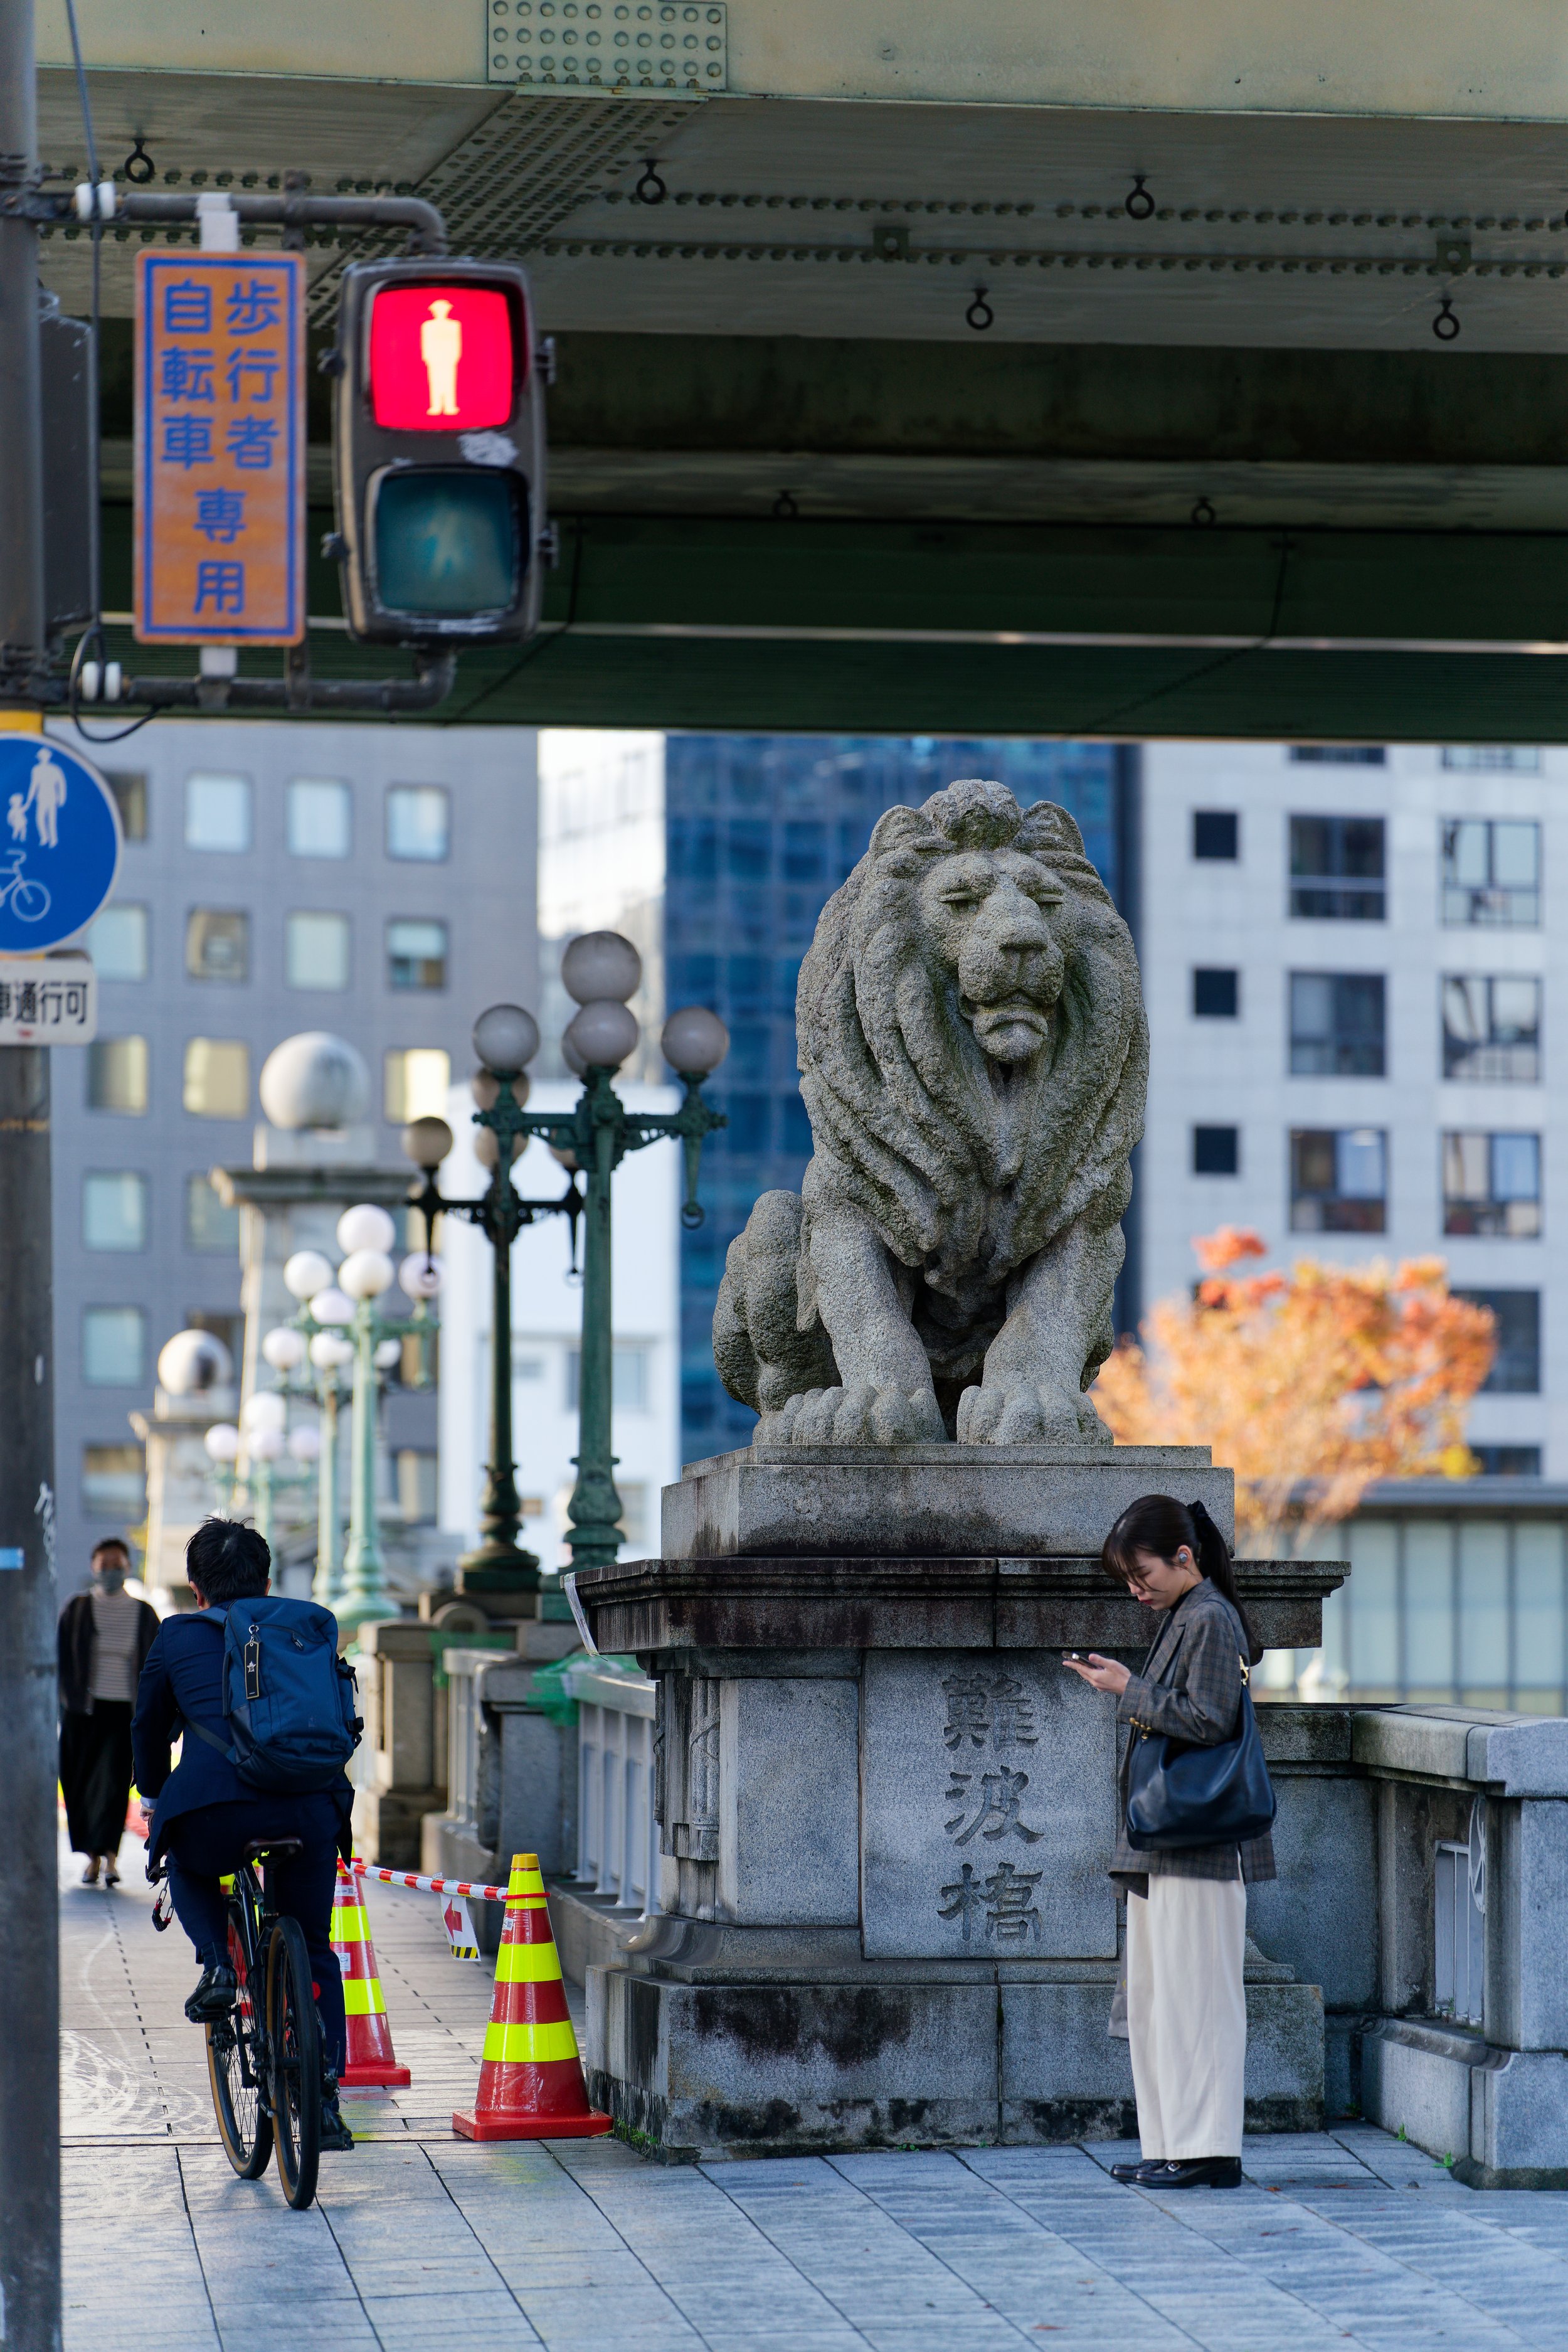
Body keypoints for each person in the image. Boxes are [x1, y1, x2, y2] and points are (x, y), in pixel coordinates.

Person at [1064, 1493, 1273, 2192]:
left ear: (1184, 1557)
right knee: (1161, 1998)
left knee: (1197, 1998)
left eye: (1141, 1572)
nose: (1136, 1588)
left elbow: (1209, 1720)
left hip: (1200, 1843)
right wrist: (1129, 1687)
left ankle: (1209, 2149)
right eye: (1128, 1578)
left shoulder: (1209, 1616)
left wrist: (1129, 1688)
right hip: (1170, 1843)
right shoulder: (1190, 1612)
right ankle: (1173, 2144)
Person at [131, 1518, 355, 2151]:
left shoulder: (176, 1634)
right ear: (266, 1580)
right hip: (311, 1808)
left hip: (214, 1811)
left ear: (197, 1588)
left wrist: (153, 1795)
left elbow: (147, 1726)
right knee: (313, 1945)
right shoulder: (308, 1624)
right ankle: (327, 2094)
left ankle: (216, 1965)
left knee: (188, 1859)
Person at [58, 1539, 160, 1885]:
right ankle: (91, 1857)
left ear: (127, 1567)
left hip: (125, 1712)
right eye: (104, 1565)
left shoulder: (144, 1613)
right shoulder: (77, 1609)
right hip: (82, 1713)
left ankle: (111, 1858)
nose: (111, 1571)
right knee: (81, 1782)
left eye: (116, 1564)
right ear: (93, 1567)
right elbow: (60, 1658)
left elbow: (155, 1663)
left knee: (115, 1785)